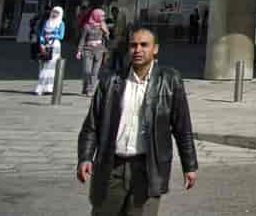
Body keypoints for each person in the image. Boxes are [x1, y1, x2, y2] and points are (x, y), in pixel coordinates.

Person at [77, 26, 198, 213]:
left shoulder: (170, 81)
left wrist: (189, 165)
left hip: (147, 169)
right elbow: (92, 125)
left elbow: (183, 128)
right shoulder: (111, 81)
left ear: (155, 49)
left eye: (144, 45)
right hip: (112, 167)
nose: (138, 50)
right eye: (133, 45)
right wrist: (85, 157)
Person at [77, 8, 111, 97]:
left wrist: (106, 31)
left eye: (104, 16)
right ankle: (86, 85)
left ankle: (90, 89)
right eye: (102, 16)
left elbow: (107, 39)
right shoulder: (87, 26)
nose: (103, 17)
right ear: (96, 16)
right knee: (87, 71)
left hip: (99, 51)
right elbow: (83, 39)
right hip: (88, 50)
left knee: (95, 72)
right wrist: (79, 51)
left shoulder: (103, 25)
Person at [34, 6, 66, 96]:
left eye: (57, 12)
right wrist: (41, 42)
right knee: (43, 65)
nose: (54, 14)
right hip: (45, 45)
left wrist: (51, 36)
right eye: (53, 11)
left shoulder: (61, 23)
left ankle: (48, 88)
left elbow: (61, 36)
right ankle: (42, 87)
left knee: (50, 66)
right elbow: (41, 33)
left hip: (55, 46)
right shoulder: (46, 22)